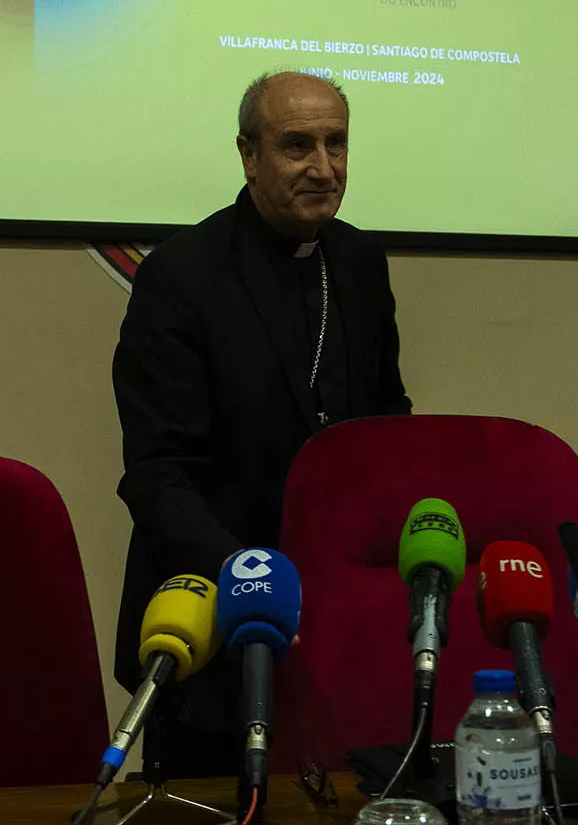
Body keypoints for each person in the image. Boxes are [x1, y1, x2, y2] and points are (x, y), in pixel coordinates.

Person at [111, 69, 412, 774]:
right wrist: (249, 578)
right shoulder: (181, 275)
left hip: (341, 623)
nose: (323, 166)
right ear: (249, 155)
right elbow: (159, 475)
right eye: (297, 144)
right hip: (214, 624)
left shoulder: (361, 262)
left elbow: (387, 422)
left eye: (336, 143)